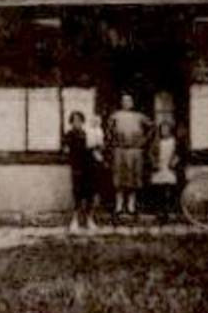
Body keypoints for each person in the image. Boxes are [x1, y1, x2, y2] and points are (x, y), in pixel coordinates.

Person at [107, 93, 151, 221]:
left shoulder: (139, 116)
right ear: (121, 102)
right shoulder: (115, 116)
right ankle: (119, 206)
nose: (126, 103)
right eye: (124, 101)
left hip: (135, 150)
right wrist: (113, 142)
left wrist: (143, 140)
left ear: (133, 103)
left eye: (129, 101)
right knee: (119, 178)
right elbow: (108, 131)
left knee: (133, 178)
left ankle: (131, 206)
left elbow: (152, 128)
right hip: (119, 150)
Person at [63, 110, 98, 233]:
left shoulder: (87, 133)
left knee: (89, 194)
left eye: (79, 120)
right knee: (77, 194)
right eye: (74, 120)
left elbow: (93, 148)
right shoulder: (69, 135)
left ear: (82, 122)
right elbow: (67, 150)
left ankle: (89, 220)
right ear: (71, 122)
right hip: (76, 168)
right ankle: (75, 221)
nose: (76, 123)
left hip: (88, 167)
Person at [148, 120, 182, 225]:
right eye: (162, 129)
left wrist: (174, 162)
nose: (164, 131)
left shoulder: (174, 141)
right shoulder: (156, 142)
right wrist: (154, 163)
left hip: (169, 167)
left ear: (170, 130)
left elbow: (179, 154)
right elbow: (151, 153)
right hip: (159, 167)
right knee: (159, 191)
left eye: (166, 129)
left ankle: (168, 212)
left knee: (168, 190)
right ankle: (159, 212)